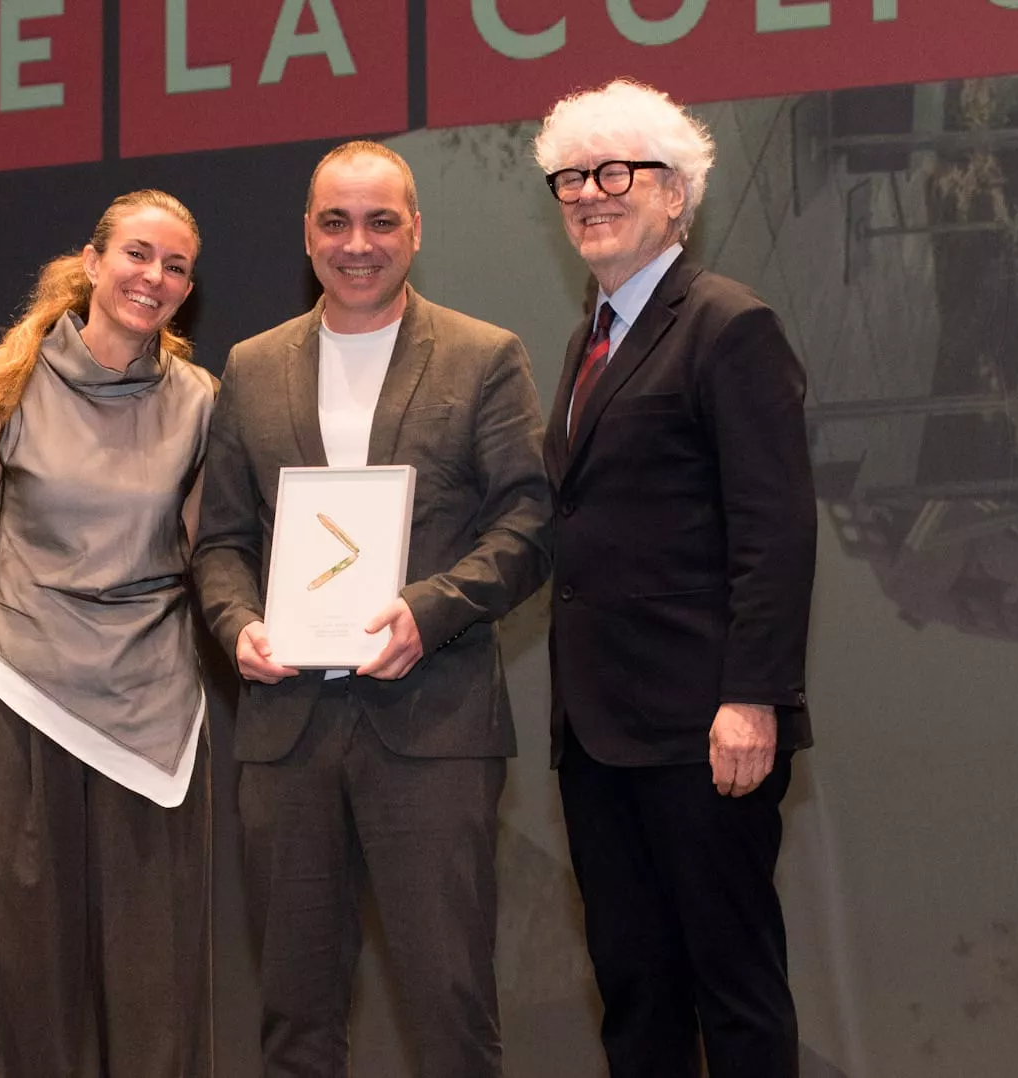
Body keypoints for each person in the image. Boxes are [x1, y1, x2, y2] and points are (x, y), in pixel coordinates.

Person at [192, 141, 552, 1078]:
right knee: (295, 1023)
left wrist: (429, 611)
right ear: (306, 234)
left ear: (417, 230)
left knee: (450, 1014)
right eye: (335, 222)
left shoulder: (484, 357)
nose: (359, 243)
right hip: (286, 736)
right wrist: (239, 627)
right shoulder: (253, 366)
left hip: (432, 729)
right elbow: (221, 544)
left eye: (382, 221)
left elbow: (528, 523)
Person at [534, 81, 818, 1078]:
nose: (590, 193)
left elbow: (775, 530)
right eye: (571, 176)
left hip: (706, 727)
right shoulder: (587, 341)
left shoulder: (729, 326)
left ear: (678, 197)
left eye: (618, 172)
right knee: (635, 991)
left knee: (732, 989)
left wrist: (754, 696)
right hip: (601, 734)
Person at [0, 189, 216, 1078]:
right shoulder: (5, 385)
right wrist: (36, 651)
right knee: (21, 982)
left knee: (156, 996)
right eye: (139, 254)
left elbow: (203, 555)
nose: (156, 277)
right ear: (94, 263)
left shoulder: (200, 402)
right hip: (24, 705)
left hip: (153, 722)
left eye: (176, 266)